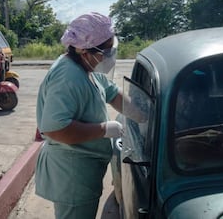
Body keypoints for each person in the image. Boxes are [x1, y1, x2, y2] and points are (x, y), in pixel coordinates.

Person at [35, 12, 145, 219]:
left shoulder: (87, 66)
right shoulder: (67, 77)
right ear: (85, 50)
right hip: (72, 175)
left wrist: (143, 115)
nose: (111, 56)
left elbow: (112, 93)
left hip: (84, 170)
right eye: (107, 50)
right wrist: (103, 129)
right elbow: (55, 129)